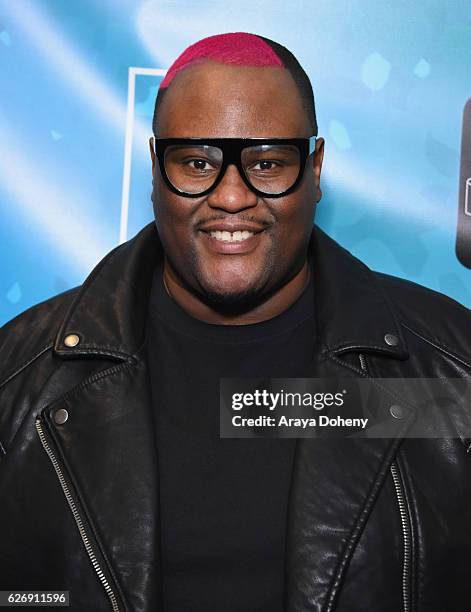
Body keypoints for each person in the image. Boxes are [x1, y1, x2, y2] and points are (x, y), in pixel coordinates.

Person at [0, 31, 470, 612]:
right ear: (154, 166)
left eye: (267, 163)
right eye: (197, 162)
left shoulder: (452, 370)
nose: (230, 197)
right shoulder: (19, 380)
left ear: (316, 168)